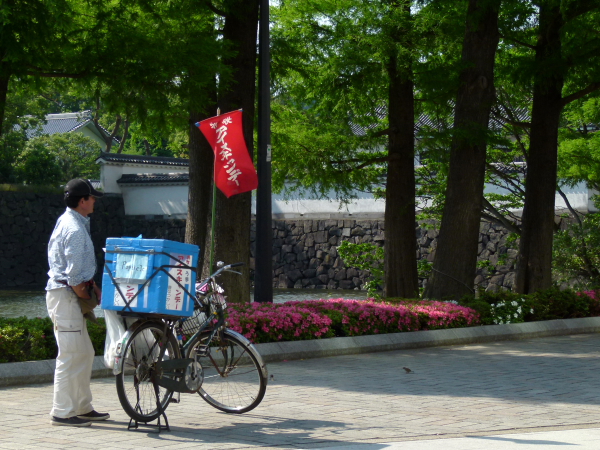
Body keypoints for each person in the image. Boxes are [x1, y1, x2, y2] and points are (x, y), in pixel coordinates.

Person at [46, 179, 110, 427]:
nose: (94, 201)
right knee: (71, 354)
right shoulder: (73, 228)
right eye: (92, 197)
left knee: (83, 352)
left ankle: (82, 406)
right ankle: (61, 412)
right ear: (82, 201)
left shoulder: (72, 222)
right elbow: (73, 276)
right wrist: (87, 296)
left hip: (67, 294)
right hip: (66, 295)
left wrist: (89, 288)